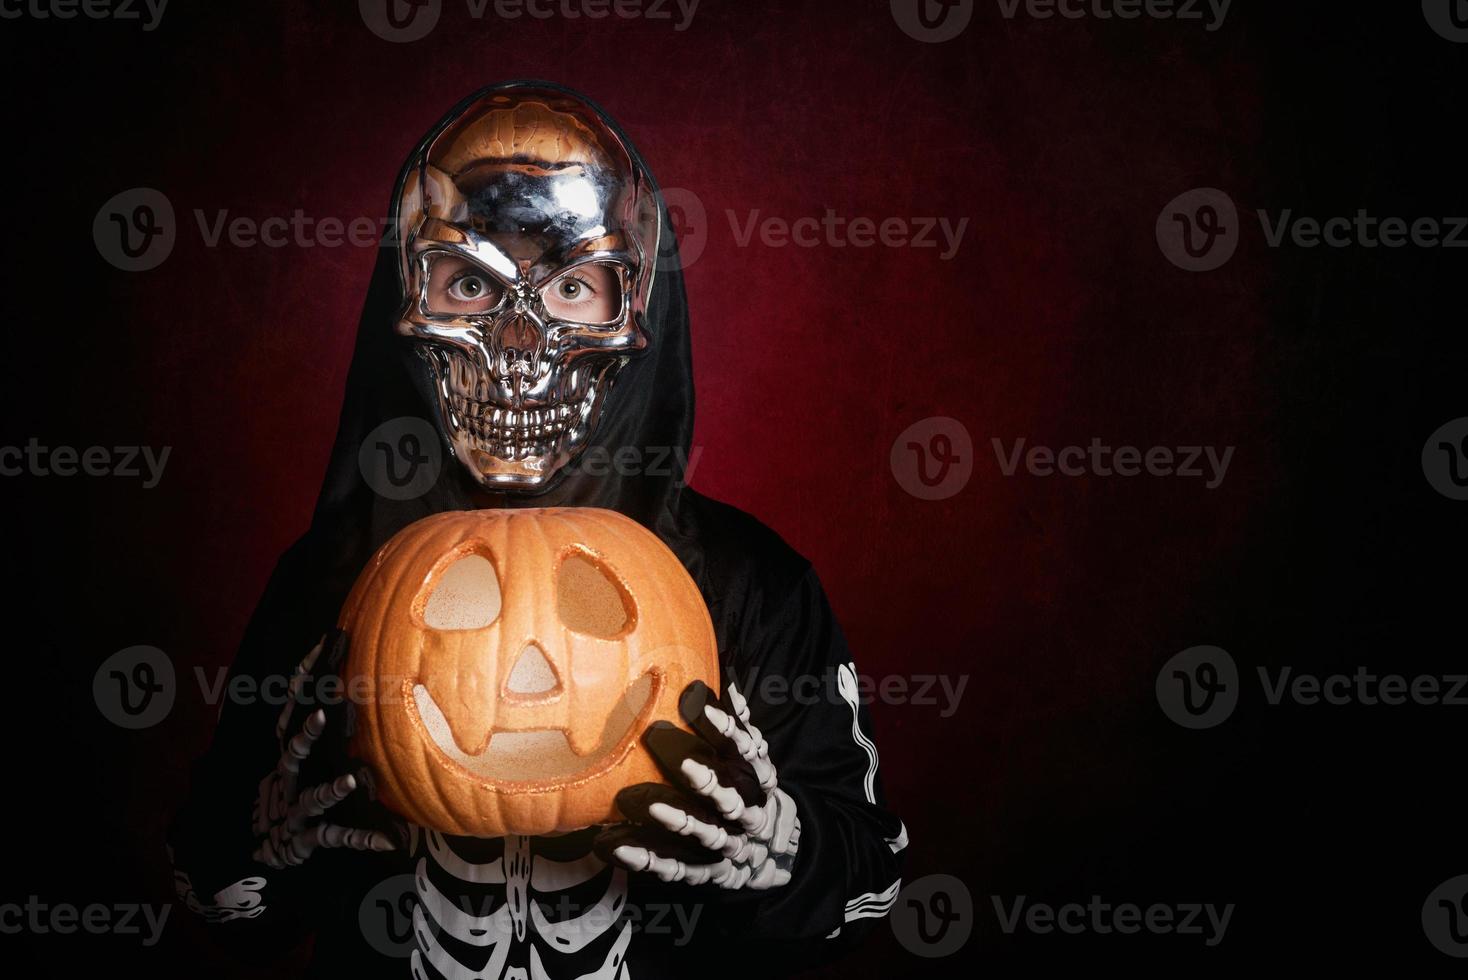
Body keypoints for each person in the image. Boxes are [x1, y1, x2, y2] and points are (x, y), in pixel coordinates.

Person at [167, 81, 906, 979]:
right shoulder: (334, 580)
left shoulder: (748, 582)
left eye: (571, 289)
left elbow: (871, 891)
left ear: (638, 313)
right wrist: (270, 836)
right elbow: (221, 909)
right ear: (405, 299)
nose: (518, 348)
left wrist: (777, 847)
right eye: (470, 282)